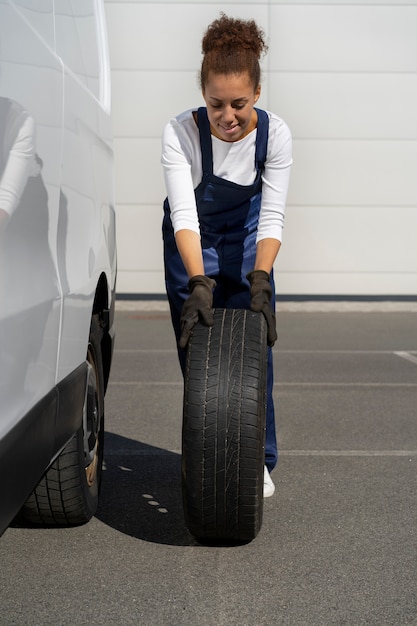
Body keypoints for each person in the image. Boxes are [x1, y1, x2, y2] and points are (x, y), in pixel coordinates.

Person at [161, 14, 292, 497]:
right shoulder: (180, 134)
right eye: (216, 103)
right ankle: (207, 452)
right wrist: (199, 283)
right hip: (192, 247)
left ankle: (257, 457)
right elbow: (184, 217)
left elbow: (273, 216)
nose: (227, 115)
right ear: (203, 94)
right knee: (200, 355)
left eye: (238, 103)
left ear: (256, 94)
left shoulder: (276, 136)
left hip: (250, 245)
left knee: (253, 354)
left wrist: (261, 277)